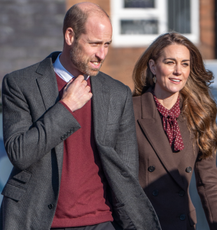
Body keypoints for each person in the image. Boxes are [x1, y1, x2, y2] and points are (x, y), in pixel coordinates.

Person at [0, 2, 161, 230]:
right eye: (94, 43)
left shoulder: (117, 93)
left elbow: (126, 172)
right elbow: (19, 153)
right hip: (40, 221)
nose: (101, 54)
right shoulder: (20, 84)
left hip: (102, 222)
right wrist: (65, 107)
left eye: (107, 44)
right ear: (69, 36)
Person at [132, 32, 217, 230]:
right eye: (170, 62)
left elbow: (209, 183)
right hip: (142, 224)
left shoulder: (198, 115)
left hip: (182, 224)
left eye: (185, 64)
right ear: (153, 66)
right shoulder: (130, 111)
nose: (178, 71)